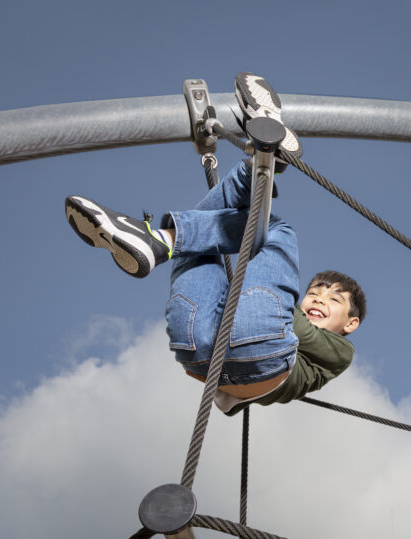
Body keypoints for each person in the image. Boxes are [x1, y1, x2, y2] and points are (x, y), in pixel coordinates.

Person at [63, 73, 365, 416]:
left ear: (350, 325)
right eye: (315, 291)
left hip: (259, 349)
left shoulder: (340, 352)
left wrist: (272, 290)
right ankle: (162, 238)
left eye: (333, 299)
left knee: (276, 232)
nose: (318, 299)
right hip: (195, 351)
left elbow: (295, 325)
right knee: (198, 247)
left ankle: (259, 168)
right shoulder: (283, 316)